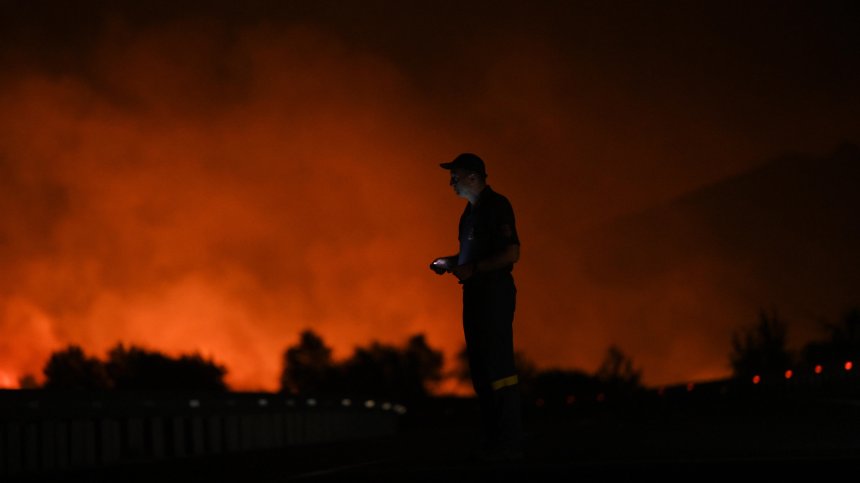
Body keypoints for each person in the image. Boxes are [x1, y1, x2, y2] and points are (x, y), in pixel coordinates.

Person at [430, 153, 524, 461]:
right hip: (473, 295)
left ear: (473, 176)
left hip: (494, 294)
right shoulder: (468, 215)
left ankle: (508, 438)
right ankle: (492, 436)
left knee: (498, 365)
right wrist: (452, 262)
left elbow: (511, 253)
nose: (450, 183)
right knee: (480, 367)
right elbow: (470, 257)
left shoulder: (498, 206)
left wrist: (475, 269)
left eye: (454, 177)